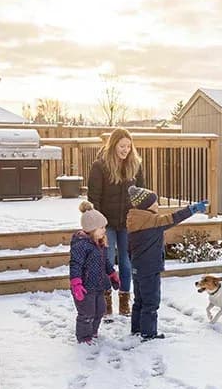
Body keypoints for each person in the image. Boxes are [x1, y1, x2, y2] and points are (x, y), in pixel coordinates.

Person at [122, 186, 208, 340]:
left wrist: (132, 263)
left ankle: (137, 329)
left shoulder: (134, 219)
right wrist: (193, 209)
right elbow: (174, 218)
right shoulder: (152, 221)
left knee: (139, 300)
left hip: (137, 267)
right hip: (150, 268)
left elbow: (128, 248)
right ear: (146, 205)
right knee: (151, 302)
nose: (157, 206)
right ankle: (148, 333)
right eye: (154, 203)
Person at [87, 128, 146, 316]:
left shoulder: (135, 165)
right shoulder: (100, 166)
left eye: (129, 146)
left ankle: (124, 300)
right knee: (107, 260)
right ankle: (106, 303)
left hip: (127, 223)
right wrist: (98, 224)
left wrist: (139, 217)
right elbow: (93, 196)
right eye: (122, 146)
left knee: (126, 262)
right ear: (113, 145)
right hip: (107, 222)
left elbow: (141, 194)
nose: (126, 150)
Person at [67, 204, 118, 344]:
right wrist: (76, 283)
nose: (104, 230)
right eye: (101, 228)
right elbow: (75, 264)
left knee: (100, 310)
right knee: (87, 313)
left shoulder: (100, 243)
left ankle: (93, 331)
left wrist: (112, 273)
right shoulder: (81, 245)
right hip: (84, 287)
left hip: (98, 285)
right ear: (91, 229)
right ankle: (84, 337)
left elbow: (105, 262)